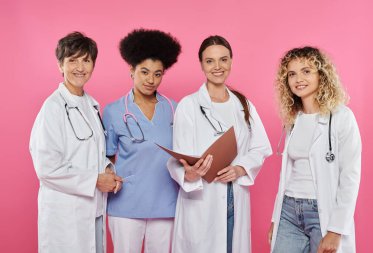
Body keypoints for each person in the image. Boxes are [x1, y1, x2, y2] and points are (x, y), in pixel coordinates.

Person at [167, 35, 272, 253]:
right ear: (201, 65)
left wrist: (240, 168)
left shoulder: (244, 105)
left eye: (223, 60)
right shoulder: (189, 105)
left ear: (231, 62)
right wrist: (190, 174)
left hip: (234, 196)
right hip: (202, 198)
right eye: (210, 61)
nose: (217, 67)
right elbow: (180, 157)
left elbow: (261, 147)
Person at [29, 32, 123, 253]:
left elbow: (93, 152)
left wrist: (108, 171)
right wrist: (95, 181)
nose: (80, 67)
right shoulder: (52, 107)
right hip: (66, 216)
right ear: (60, 65)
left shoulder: (91, 105)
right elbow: (47, 168)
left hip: (94, 210)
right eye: (73, 60)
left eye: (86, 60)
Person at [268, 47, 361, 253]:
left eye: (306, 71)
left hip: (322, 212)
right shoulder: (293, 120)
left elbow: (350, 177)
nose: (298, 79)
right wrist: (276, 218)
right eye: (292, 74)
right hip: (289, 210)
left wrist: (336, 230)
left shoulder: (342, 117)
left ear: (322, 75)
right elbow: (286, 176)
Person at [102, 29, 181, 253]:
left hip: (166, 203)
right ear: (131, 70)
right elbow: (107, 157)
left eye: (157, 74)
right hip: (126, 204)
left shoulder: (175, 110)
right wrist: (107, 174)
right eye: (144, 72)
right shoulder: (114, 111)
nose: (151, 80)